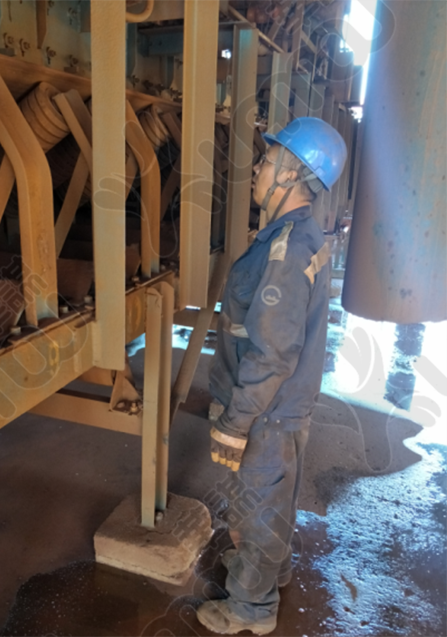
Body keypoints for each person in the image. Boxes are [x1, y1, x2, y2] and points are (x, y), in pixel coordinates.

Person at [197, 117, 347, 635]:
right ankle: (271, 572)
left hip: (267, 408)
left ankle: (251, 609)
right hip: (286, 404)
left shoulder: (286, 251)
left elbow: (273, 352)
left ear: (291, 174)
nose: (258, 170)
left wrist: (236, 422)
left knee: (256, 507)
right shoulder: (297, 235)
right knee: (275, 498)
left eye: (267, 161)